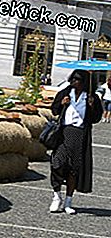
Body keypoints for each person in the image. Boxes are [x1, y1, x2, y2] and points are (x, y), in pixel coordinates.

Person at [49, 69, 103, 214]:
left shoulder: (91, 97)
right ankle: (56, 195)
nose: (73, 82)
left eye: (77, 80)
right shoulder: (66, 93)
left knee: (74, 169)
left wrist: (92, 108)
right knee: (57, 163)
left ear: (84, 82)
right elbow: (54, 110)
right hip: (64, 133)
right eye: (72, 79)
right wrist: (61, 104)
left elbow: (96, 118)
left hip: (80, 135)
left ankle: (68, 201)